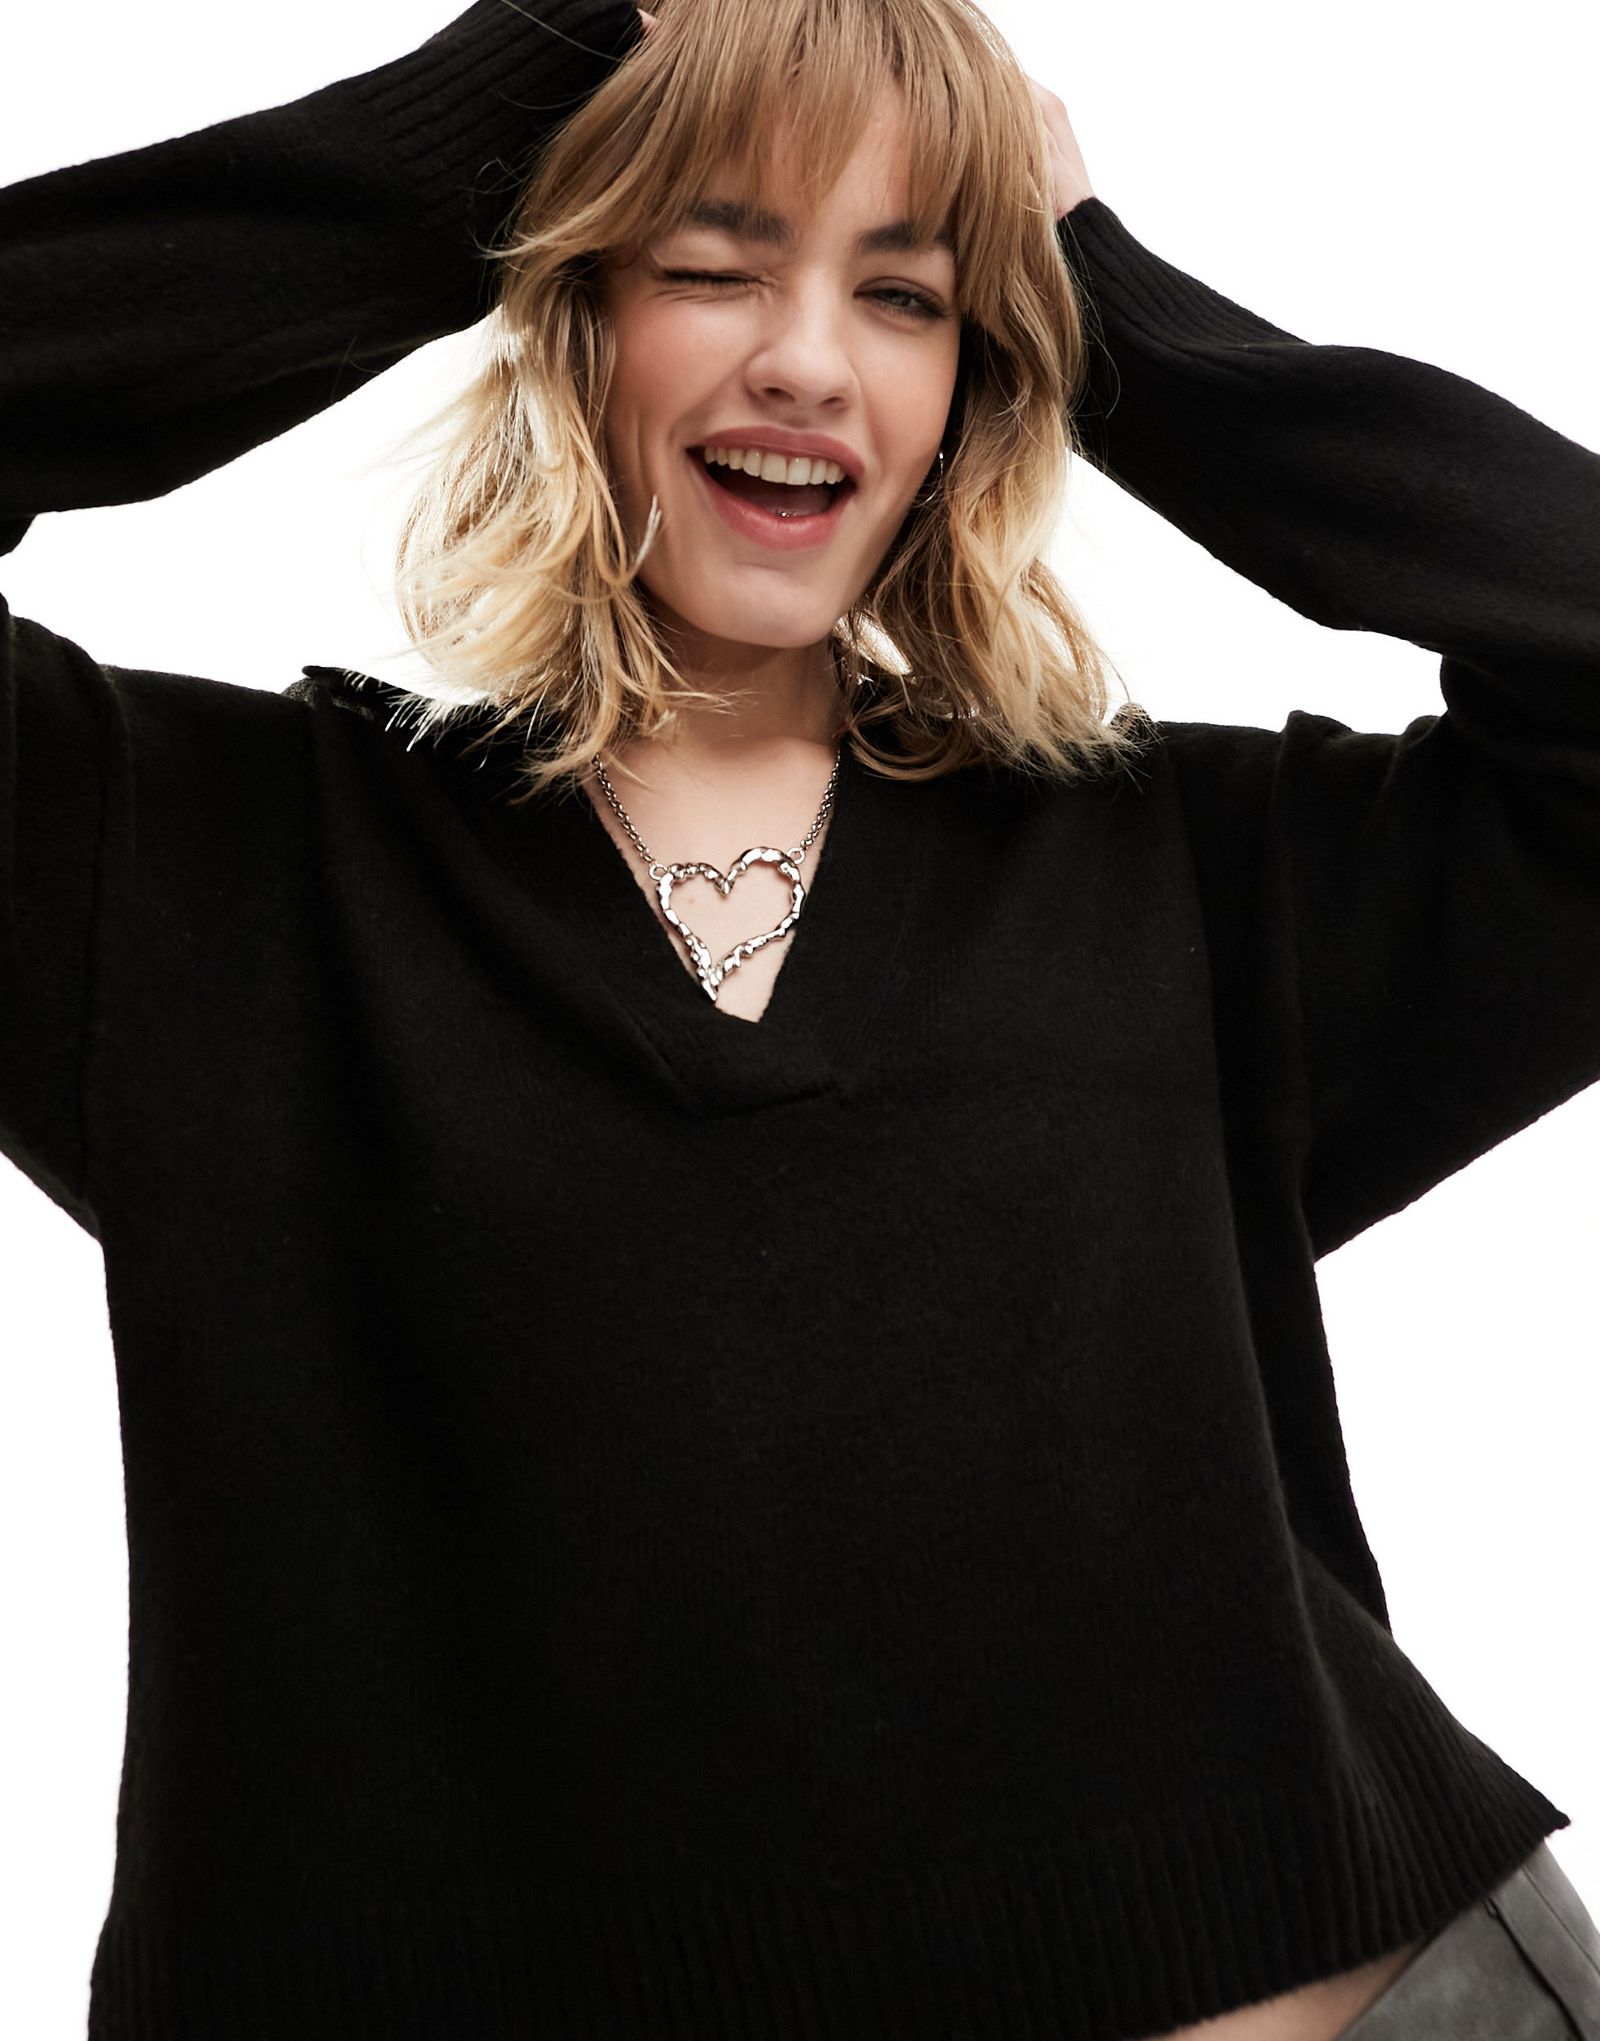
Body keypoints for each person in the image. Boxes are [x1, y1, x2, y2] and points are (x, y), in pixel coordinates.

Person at [2, 1, 1598, 2036]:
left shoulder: (1193, 879)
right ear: (566, 303)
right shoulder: (203, 879)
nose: (809, 360)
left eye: (906, 296)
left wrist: (1100, 298)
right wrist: (527, 83)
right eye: (709, 264)